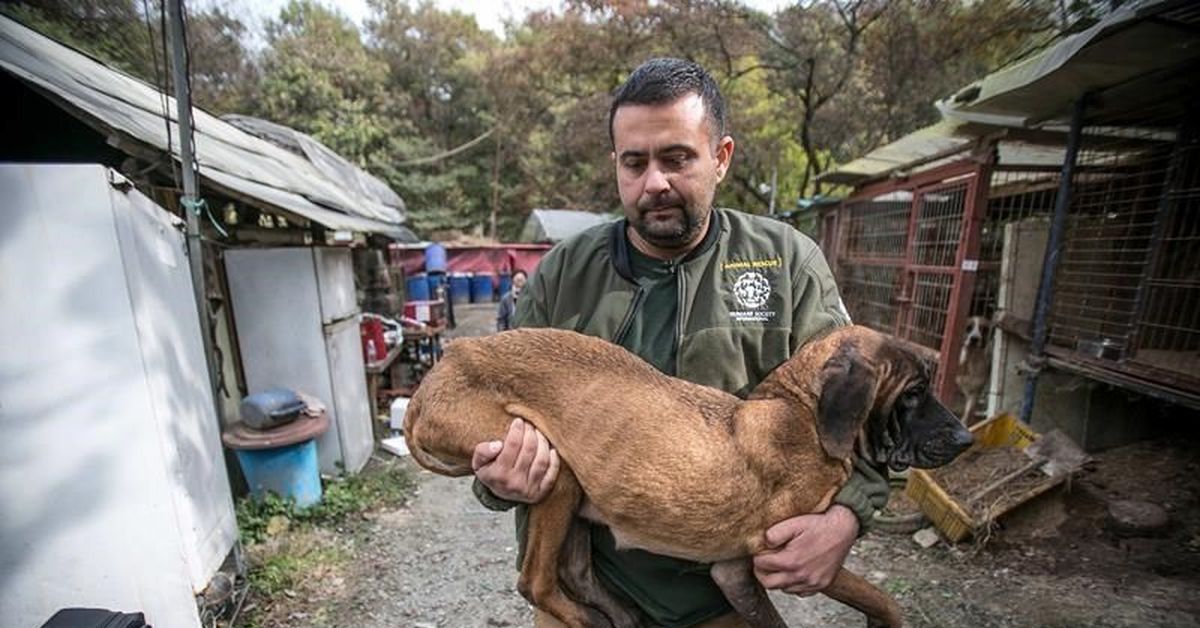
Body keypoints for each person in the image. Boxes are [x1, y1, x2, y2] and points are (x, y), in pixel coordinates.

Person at [470, 58, 889, 627]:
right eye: (634, 162)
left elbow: (871, 406)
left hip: (721, 602)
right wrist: (498, 478)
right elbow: (499, 412)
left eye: (677, 158)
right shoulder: (563, 274)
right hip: (584, 604)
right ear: (615, 165)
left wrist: (846, 517)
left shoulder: (788, 263)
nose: (654, 182)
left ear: (721, 158)